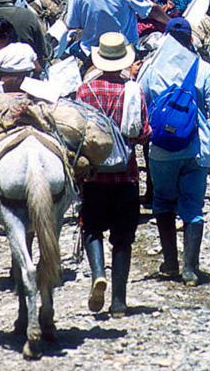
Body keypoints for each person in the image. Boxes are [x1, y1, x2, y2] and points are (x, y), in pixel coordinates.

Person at [138, 18, 210, 286]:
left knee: (162, 201)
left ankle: (170, 262)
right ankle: (191, 269)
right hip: (196, 148)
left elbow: (140, 106)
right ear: (191, 40)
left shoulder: (150, 68)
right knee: (193, 206)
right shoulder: (203, 69)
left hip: (160, 150)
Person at [76, 32, 151, 318]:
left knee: (92, 228)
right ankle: (119, 301)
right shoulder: (134, 90)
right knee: (123, 239)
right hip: (125, 175)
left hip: (93, 175)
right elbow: (143, 133)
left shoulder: (84, 91)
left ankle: (98, 273)